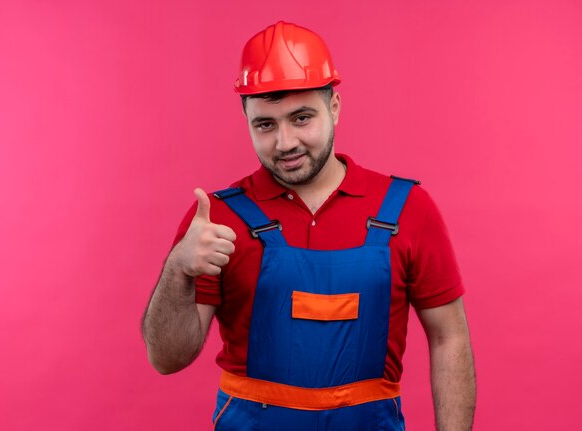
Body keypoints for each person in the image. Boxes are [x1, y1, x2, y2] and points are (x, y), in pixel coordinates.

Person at [142, 21, 476, 431]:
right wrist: (178, 269)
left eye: (301, 118)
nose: (284, 143)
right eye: (265, 124)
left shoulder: (408, 209)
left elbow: (449, 339)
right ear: (245, 117)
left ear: (334, 106)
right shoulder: (215, 219)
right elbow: (167, 359)